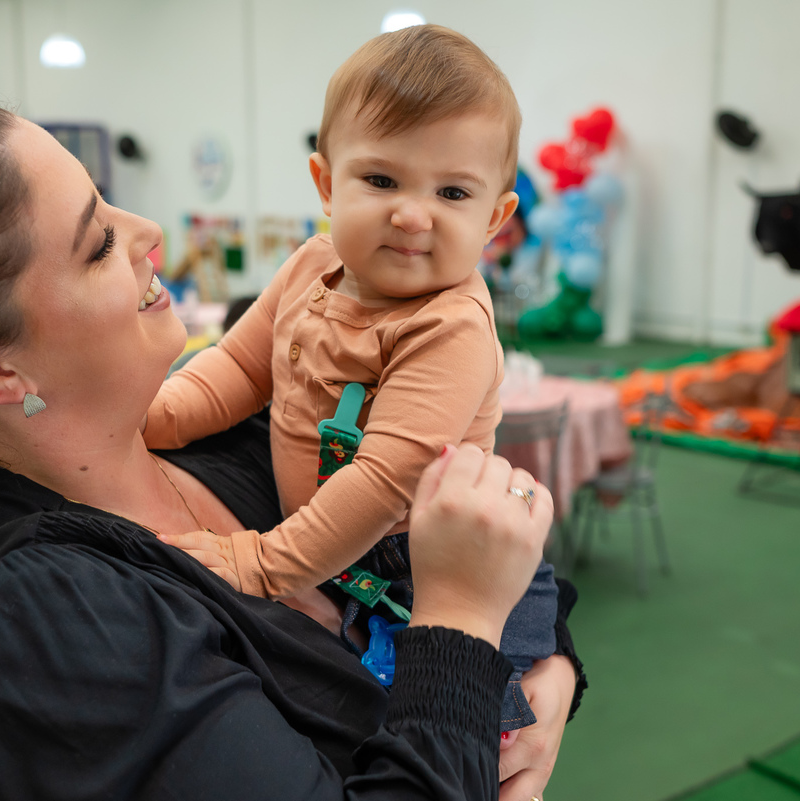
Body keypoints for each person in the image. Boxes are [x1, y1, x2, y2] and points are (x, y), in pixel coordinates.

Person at [0, 100, 585, 800]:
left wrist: (550, 673)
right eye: (95, 243)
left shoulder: (219, 432)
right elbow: (457, 593)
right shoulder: (39, 630)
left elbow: (437, 547)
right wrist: (464, 628)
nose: (147, 231)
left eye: (106, 203)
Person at [143, 24, 556, 734]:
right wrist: (158, 414)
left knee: (439, 725)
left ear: (494, 218)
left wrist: (264, 562)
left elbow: (385, 477)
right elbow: (240, 367)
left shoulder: (448, 327)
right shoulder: (309, 266)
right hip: (324, 537)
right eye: (382, 179)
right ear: (328, 184)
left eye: (452, 191)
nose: (412, 213)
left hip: (410, 562)